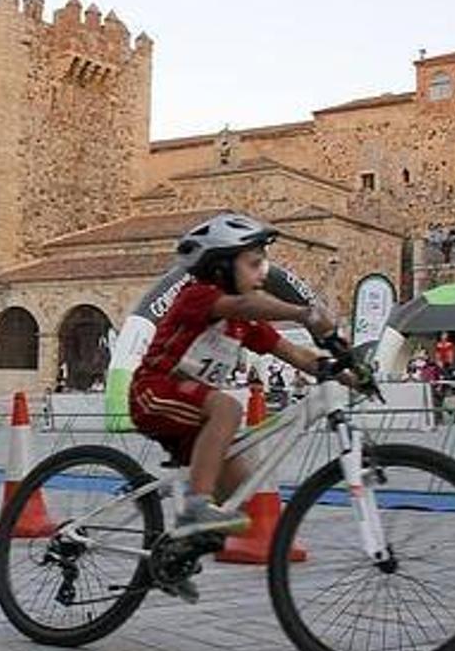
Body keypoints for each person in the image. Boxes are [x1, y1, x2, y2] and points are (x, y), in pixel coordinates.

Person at [128, 213, 354, 542]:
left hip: (193, 408)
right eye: (253, 264)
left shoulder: (243, 323)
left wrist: (349, 374)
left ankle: (174, 553)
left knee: (240, 495)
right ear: (221, 267)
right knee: (229, 409)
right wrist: (303, 312)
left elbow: (296, 355)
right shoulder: (199, 296)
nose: (262, 273)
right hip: (155, 393)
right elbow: (246, 304)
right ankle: (195, 506)